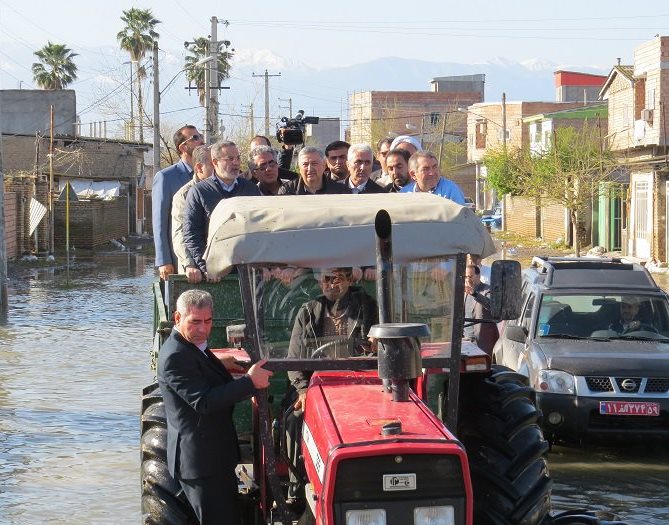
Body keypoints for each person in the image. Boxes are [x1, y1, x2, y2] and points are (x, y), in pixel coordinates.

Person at [158, 289, 272, 525]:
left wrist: (219, 363)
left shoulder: (190, 346)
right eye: (195, 322)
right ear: (177, 318)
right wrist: (250, 382)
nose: (203, 329)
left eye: (208, 321)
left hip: (215, 455)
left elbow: (198, 367)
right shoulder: (174, 357)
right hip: (201, 465)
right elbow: (204, 401)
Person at [285, 268, 378, 503]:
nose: (330, 284)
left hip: (359, 386)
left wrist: (375, 342)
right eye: (325, 279)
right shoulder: (307, 312)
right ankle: (297, 487)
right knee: (293, 420)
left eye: (336, 278)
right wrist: (303, 389)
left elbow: (379, 344)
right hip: (316, 387)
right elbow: (293, 358)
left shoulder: (367, 307)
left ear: (349, 280)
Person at [183, 141, 261, 280]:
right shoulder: (199, 191)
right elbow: (192, 234)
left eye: (238, 158)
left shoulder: (250, 189)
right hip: (213, 272)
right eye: (230, 159)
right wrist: (206, 266)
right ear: (215, 162)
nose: (236, 163)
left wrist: (261, 266)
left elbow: (260, 229)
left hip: (247, 270)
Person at [153, 125, 204, 281]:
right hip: (178, 257)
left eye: (200, 136)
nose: (201, 140)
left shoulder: (207, 173)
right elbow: (159, 222)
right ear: (183, 147)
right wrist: (164, 260)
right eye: (195, 138)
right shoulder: (166, 177)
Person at [171, 145, 214, 282]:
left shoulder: (223, 189)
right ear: (199, 168)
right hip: (193, 272)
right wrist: (189, 264)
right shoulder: (184, 195)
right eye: (214, 164)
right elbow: (180, 232)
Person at [400, 151, 466, 204]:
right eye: (426, 169)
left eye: (434, 167)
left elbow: (460, 219)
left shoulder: (450, 190)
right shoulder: (404, 194)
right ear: (413, 174)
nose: (432, 173)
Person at [278, 146, 351, 195]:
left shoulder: (340, 191)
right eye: (305, 164)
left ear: (323, 165)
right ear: (299, 168)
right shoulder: (287, 190)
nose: (310, 168)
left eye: (314, 163)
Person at [463, 264, 498, 355]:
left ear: (478, 276)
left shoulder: (487, 290)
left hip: (483, 343)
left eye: (470, 276)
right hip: (467, 341)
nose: (467, 279)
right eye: (465, 277)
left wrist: (475, 294)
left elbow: (492, 306)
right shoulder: (465, 292)